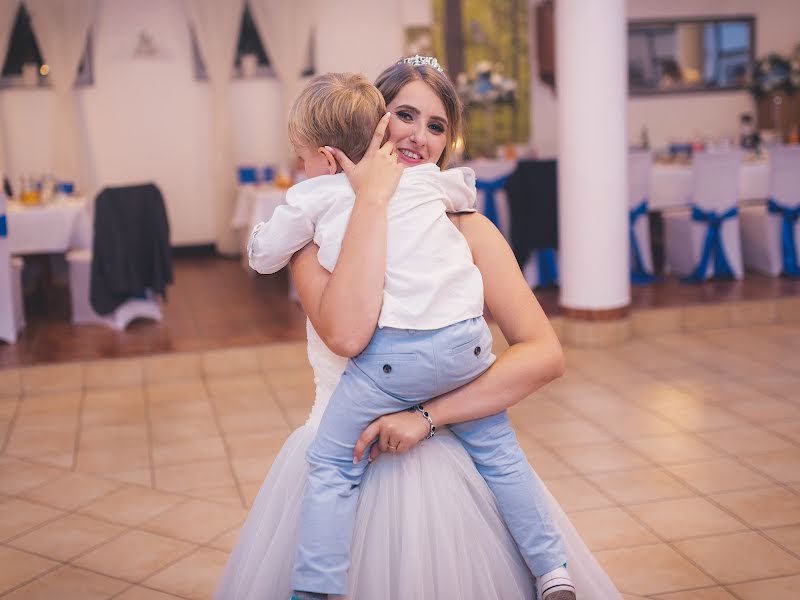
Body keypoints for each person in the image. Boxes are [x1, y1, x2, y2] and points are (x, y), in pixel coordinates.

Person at [214, 58, 623, 600]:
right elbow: (346, 335)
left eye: (437, 127)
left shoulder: (467, 228)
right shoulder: (317, 234)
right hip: (345, 458)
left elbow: (545, 354)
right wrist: (372, 201)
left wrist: (427, 417)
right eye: (405, 115)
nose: (419, 136)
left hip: (451, 464)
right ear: (371, 122)